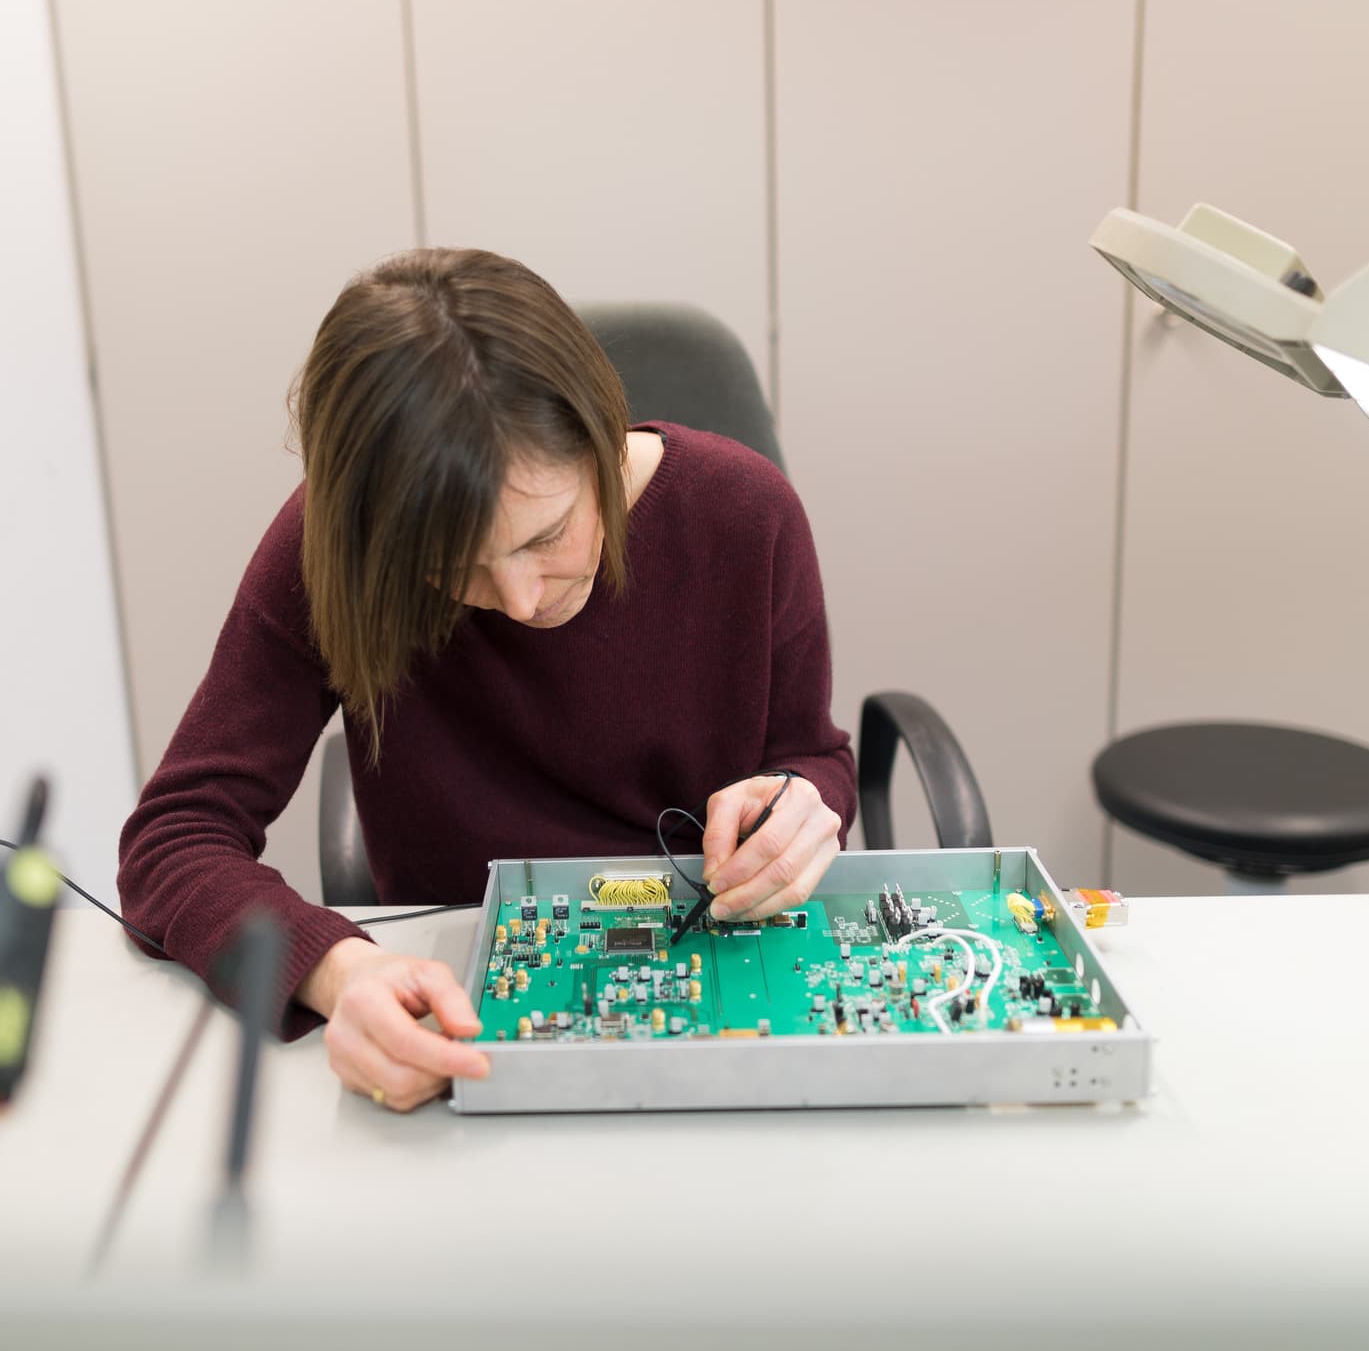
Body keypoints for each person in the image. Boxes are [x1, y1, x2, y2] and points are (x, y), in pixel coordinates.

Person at [118, 247, 855, 1111]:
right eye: (451, 568)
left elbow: (813, 754)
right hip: (461, 1013)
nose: (516, 599)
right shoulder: (335, 549)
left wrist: (803, 802)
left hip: (717, 983)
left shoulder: (746, 513)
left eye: (546, 536)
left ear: (599, 434)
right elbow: (174, 836)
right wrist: (339, 969)